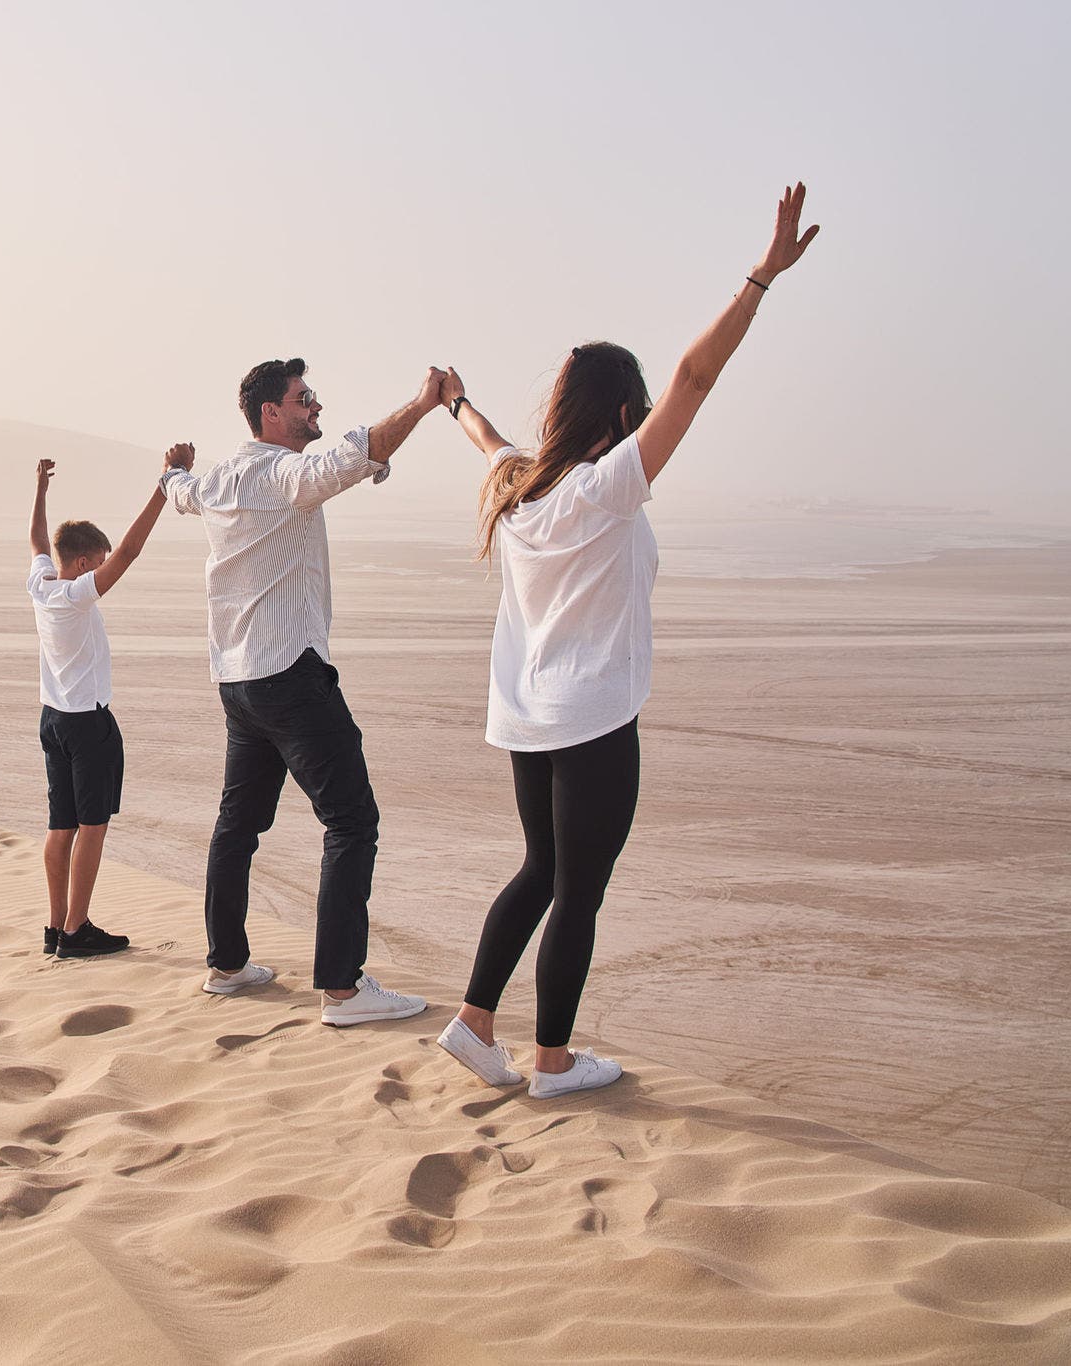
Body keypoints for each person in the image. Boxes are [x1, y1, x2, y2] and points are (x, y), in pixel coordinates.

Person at [434, 183, 820, 1097]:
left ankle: (475, 1022)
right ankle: (554, 1063)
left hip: (528, 720)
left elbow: (486, 438)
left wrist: (455, 403)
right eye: (638, 410)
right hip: (594, 718)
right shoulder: (604, 488)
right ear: (619, 417)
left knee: (540, 869)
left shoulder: (519, 488)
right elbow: (696, 379)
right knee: (579, 888)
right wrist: (760, 279)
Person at [164, 359, 443, 1024]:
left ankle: (227, 966)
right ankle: (342, 989)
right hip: (289, 674)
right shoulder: (278, 473)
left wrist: (172, 468)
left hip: (237, 680)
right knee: (352, 822)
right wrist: (425, 401)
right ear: (269, 413)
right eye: (303, 399)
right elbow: (348, 460)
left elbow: (183, 492)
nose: (314, 407)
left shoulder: (223, 477)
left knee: (238, 827)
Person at [27, 446, 193, 959]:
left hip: (52, 720)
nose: (102, 568)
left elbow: (37, 539)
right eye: (95, 563)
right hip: (86, 726)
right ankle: (77, 931)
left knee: (61, 825)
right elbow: (129, 552)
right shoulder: (76, 594)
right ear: (81, 563)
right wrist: (165, 484)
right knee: (92, 828)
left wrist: (40, 490)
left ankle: (56, 927)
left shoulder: (41, 583)